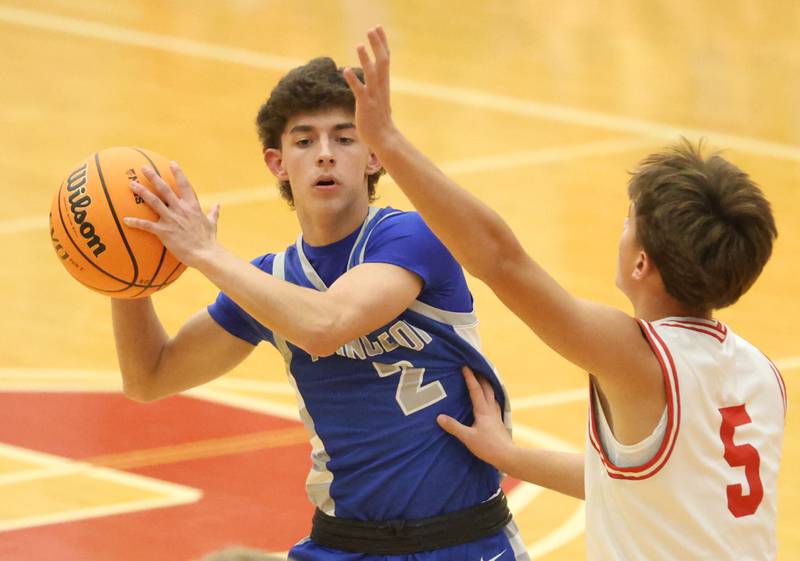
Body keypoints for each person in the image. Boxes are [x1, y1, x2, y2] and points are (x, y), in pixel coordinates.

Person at [344, 26, 786, 561]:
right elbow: (636, 488)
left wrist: (387, 140)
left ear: (642, 261)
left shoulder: (640, 360)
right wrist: (509, 455)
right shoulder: (760, 373)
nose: (621, 231)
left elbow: (500, 259)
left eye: (629, 223)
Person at [115, 57, 528, 561]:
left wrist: (206, 253)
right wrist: (122, 273)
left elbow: (326, 325)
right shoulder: (270, 283)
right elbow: (149, 376)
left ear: (374, 156)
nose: (325, 155)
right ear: (278, 163)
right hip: (344, 544)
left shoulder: (412, 236)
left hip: (461, 540)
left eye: (345, 138)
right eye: (305, 141)